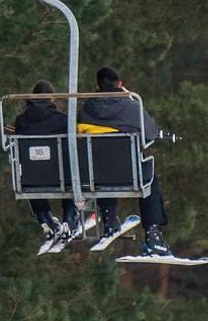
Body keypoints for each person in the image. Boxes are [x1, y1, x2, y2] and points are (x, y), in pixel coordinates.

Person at [78, 66, 170, 258]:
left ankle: (109, 218)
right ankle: (153, 234)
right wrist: (130, 99)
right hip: (128, 174)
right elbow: (151, 133)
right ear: (120, 84)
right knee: (150, 180)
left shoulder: (86, 110)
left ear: (97, 86)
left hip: (96, 175)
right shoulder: (132, 107)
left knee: (100, 165)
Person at [12, 80, 87, 244]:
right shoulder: (63, 120)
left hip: (32, 177)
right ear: (52, 98)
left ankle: (44, 217)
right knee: (72, 173)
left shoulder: (21, 120)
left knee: (29, 178)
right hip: (59, 176)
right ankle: (69, 218)